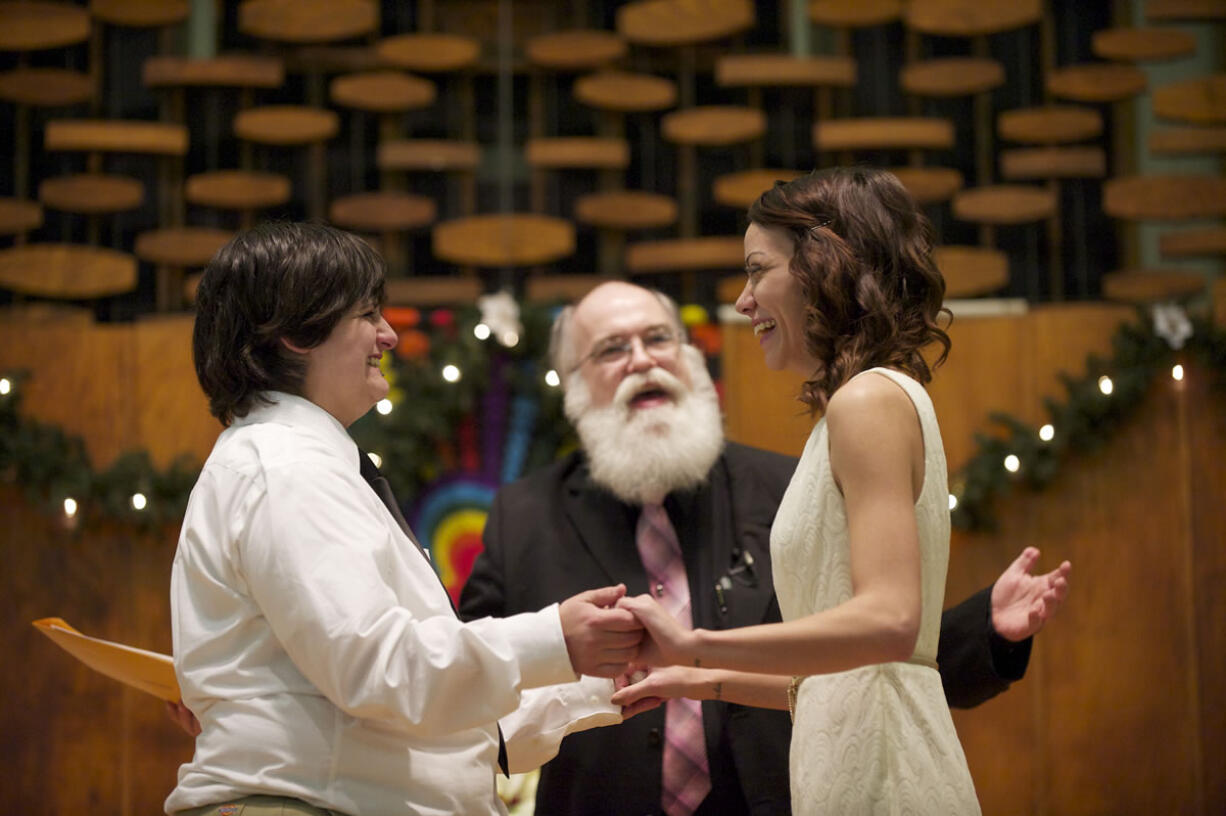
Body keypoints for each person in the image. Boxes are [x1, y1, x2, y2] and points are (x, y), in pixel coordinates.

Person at [461, 277, 1071, 814]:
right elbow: (471, 681)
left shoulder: (787, 491)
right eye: (613, 349)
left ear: (693, 361)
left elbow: (875, 658)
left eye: (659, 339)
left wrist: (981, 628)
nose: (643, 361)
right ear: (572, 385)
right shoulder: (523, 516)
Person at [609, 167, 1063, 814]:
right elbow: (841, 678)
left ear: (821, 267)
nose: (741, 301)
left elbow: (888, 623)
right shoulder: (854, 407)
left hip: (887, 780)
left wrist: (695, 642)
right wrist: (697, 679)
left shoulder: (868, 401)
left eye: (756, 269)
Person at [166, 222, 643, 816]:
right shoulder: (287, 466)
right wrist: (554, 638)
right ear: (294, 332)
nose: (388, 335)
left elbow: (408, 726)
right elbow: (380, 671)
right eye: (368, 314)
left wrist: (603, 679)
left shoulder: (299, 462)